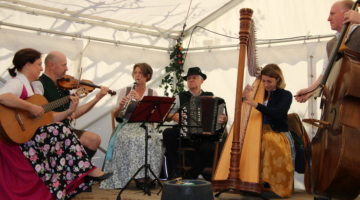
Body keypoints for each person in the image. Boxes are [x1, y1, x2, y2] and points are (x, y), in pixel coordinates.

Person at [0, 48, 112, 200]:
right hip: (17, 138)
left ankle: (73, 175)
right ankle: (85, 170)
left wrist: (69, 111)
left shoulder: (34, 88)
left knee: (60, 127)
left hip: (31, 136)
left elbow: (49, 117)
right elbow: (3, 97)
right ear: (27, 65)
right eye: (39, 64)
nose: (41, 68)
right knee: (60, 129)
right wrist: (30, 107)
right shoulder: (18, 82)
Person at [32, 51, 108, 161]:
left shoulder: (63, 86)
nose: (67, 69)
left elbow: (74, 114)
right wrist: (66, 113)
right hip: (49, 132)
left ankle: (80, 173)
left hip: (65, 129)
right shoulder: (39, 84)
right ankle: (78, 172)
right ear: (52, 65)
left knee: (94, 139)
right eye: (64, 65)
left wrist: (97, 98)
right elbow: (41, 114)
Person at [100, 63, 163, 189]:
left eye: (140, 73)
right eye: (135, 73)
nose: (137, 75)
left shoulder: (152, 93)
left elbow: (153, 115)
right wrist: (122, 106)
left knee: (153, 140)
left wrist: (140, 101)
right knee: (133, 139)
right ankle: (138, 178)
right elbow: (116, 115)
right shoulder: (125, 91)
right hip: (127, 124)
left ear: (147, 76)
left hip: (145, 125)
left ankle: (148, 177)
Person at [162, 67, 227, 181]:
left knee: (208, 148)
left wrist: (223, 119)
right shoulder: (180, 97)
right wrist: (174, 116)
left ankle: (191, 175)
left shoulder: (210, 96)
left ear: (202, 81)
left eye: (194, 78)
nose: (191, 80)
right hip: (184, 135)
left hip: (202, 137)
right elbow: (166, 116)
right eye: (188, 78)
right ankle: (176, 169)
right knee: (168, 132)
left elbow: (219, 117)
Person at [243, 63, 294, 198]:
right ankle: (250, 181)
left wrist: (255, 104)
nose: (266, 84)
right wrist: (245, 96)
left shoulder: (286, 95)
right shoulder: (259, 93)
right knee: (246, 141)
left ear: (278, 79)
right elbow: (244, 110)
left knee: (266, 140)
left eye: (269, 81)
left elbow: (277, 113)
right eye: (264, 81)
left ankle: (270, 184)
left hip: (277, 132)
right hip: (259, 130)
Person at [295, 0, 359, 102]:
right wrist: (310, 90)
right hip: (340, 102)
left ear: (348, 12)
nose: (328, 19)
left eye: (332, 14)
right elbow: (326, 72)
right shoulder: (331, 44)